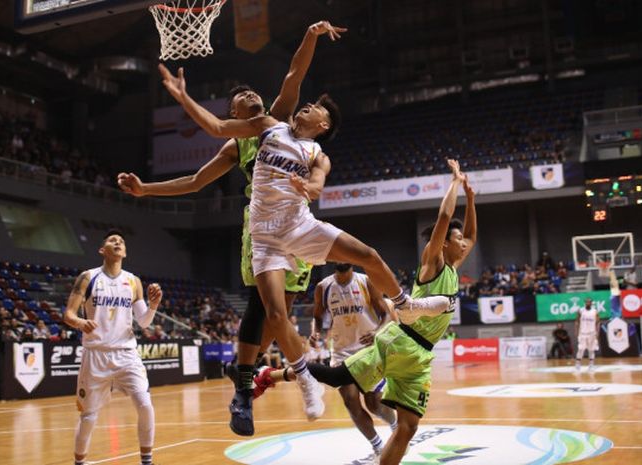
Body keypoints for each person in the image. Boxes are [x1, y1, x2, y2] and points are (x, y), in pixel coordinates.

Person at [157, 62, 451, 437]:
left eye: (315, 108)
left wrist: (307, 189)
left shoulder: (316, 152)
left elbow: (316, 185)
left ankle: (405, 306)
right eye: (307, 104)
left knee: (369, 256)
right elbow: (219, 127)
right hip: (262, 235)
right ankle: (301, 378)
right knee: (274, 313)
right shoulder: (267, 126)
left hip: (299, 226)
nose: (306, 107)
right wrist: (183, 97)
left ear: (323, 125)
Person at [118, 20, 345, 437]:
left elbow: (295, 73)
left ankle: (244, 371)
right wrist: (145, 189)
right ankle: (245, 391)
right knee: (265, 311)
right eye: (240, 96)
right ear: (233, 114)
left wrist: (309, 35)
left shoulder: (279, 118)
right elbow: (193, 182)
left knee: (278, 320)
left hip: (296, 223)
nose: (250, 94)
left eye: (251, 90)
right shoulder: (236, 142)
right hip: (260, 227)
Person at [256, 160, 476, 465]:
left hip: (421, 355)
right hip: (399, 341)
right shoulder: (433, 263)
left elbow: (473, 235)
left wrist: (472, 198)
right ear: (444, 245)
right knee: (337, 380)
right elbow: (443, 216)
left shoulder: (455, 265)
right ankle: (271, 375)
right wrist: (454, 183)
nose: (464, 243)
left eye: (463, 240)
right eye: (457, 239)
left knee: (409, 427)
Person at [63, 230, 163, 465]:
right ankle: (80, 462)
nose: (117, 242)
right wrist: (79, 322)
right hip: (95, 355)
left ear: (125, 252)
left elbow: (144, 322)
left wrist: (154, 305)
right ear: (102, 250)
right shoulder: (88, 278)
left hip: (127, 354)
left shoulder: (133, 281)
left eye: (121, 241)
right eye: (112, 240)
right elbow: (68, 313)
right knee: (88, 416)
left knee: (145, 405)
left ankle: (147, 461)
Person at [312, 263, 397, 458]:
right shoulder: (323, 287)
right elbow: (318, 316)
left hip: (367, 351)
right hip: (342, 352)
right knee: (351, 401)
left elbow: (386, 316)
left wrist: (376, 332)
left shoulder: (366, 282)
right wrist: (316, 332)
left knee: (374, 404)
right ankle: (377, 446)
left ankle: (395, 425)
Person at [575, 297, 600, 371]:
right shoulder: (581, 310)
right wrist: (576, 331)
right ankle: (578, 363)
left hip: (592, 333)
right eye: (586, 302)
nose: (588, 303)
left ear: (591, 303)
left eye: (589, 302)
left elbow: (598, 322)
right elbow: (576, 321)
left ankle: (591, 364)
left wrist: (597, 332)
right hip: (582, 333)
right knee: (580, 349)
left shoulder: (595, 311)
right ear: (585, 303)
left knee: (591, 349)